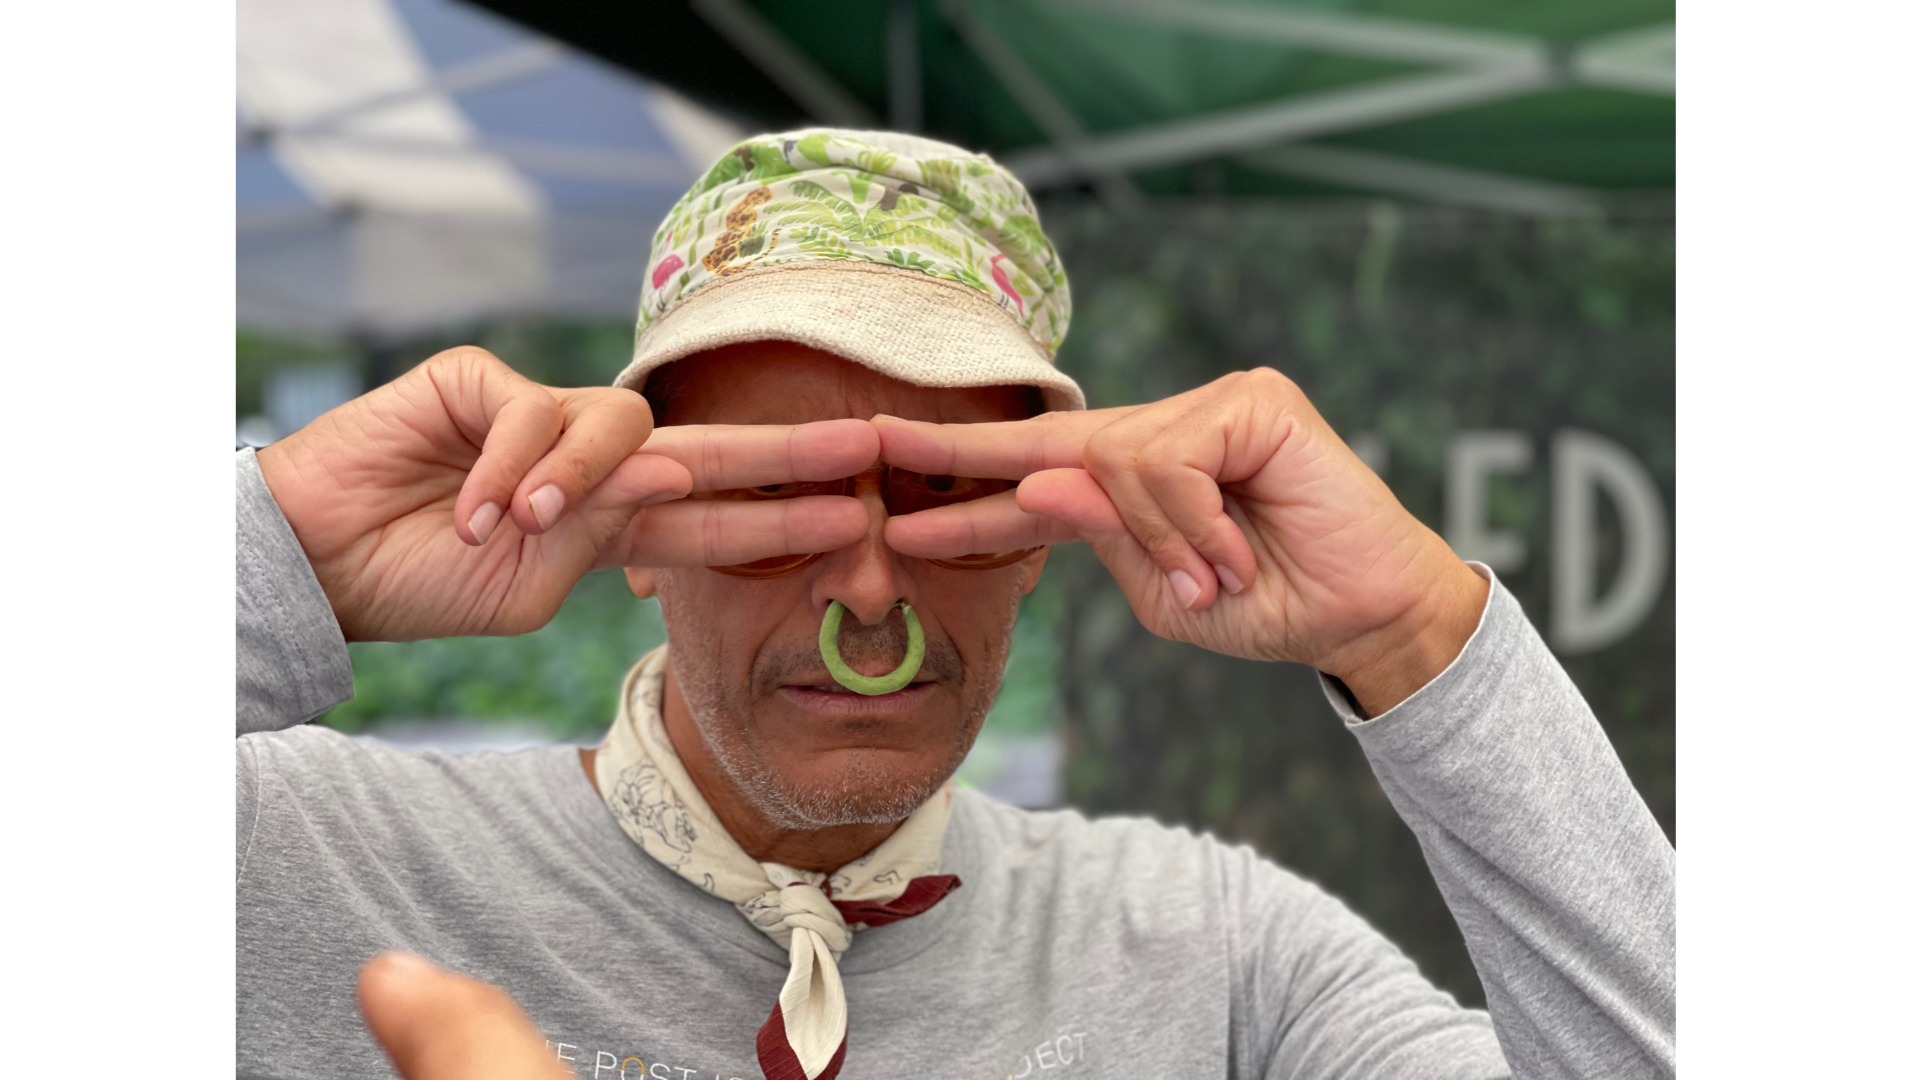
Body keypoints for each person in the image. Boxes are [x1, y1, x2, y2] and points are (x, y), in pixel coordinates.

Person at [237, 129, 1674, 1080]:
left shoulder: (1211, 957)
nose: (870, 590)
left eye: (947, 498)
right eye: (770, 498)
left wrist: (1416, 638)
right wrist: (276, 554)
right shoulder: (299, 864)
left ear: (1047, 535)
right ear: (634, 536)